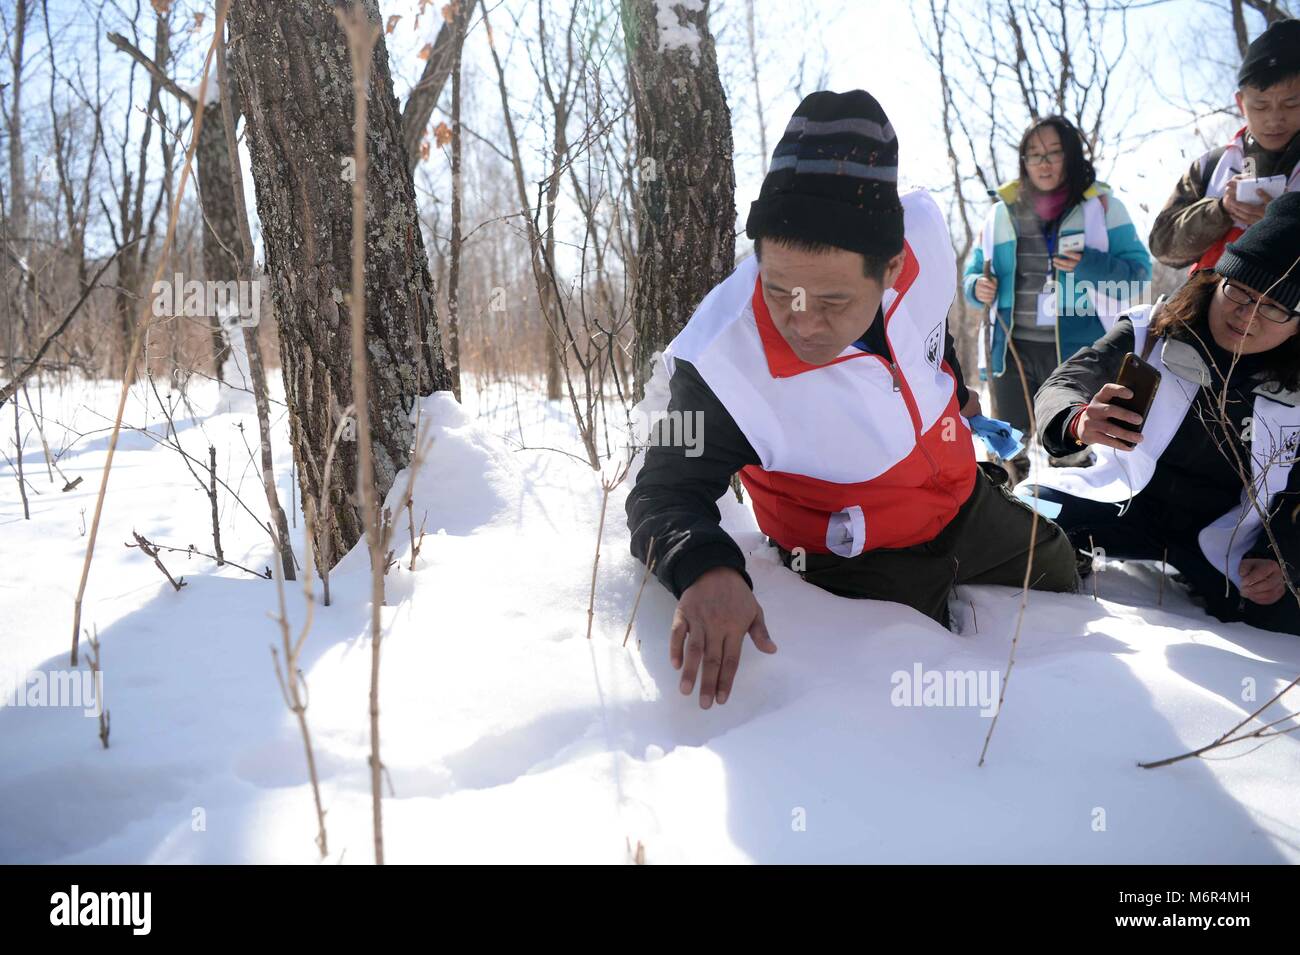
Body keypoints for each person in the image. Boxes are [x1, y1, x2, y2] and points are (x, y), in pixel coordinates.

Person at [625, 90, 1079, 710]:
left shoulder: (923, 233)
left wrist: (955, 393)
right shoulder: (721, 363)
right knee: (930, 712)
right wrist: (706, 569)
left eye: (834, 300)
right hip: (855, 557)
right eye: (780, 290)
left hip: (960, 498)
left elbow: (926, 337)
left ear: (891, 266)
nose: (802, 323)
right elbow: (662, 492)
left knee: (1063, 576)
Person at [1029, 192, 1300, 636]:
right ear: (1217, 279)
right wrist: (1076, 419)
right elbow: (1066, 382)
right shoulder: (1150, 330)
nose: (1247, 316)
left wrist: (1281, 559)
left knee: (1283, 618)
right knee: (1024, 519)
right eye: (1240, 290)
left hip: (1226, 536)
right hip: (1123, 502)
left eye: (1274, 306)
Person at [963, 116, 1151, 483]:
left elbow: (1138, 275)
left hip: (1076, 352)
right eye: (1034, 155)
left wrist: (1088, 263)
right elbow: (973, 273)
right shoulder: (1002, 211)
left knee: (1070, 444)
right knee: (1007, 445)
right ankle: (1007, 518)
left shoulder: (1104, 208)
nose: (1043, 163)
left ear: (1071, 157)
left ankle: (1067, 526)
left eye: (1053, 153)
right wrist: (976, 286)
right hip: (1012, 349)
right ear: (1023, 162)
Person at [1149, 18, 1300, 271]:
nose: (1274, 119)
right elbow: (1162, 247)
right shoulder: (1210, 165)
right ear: (1241, 104)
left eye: (1291, 104)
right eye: (1261, 106)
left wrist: (1282, 226)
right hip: (1206, 305)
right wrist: (1220, 210)